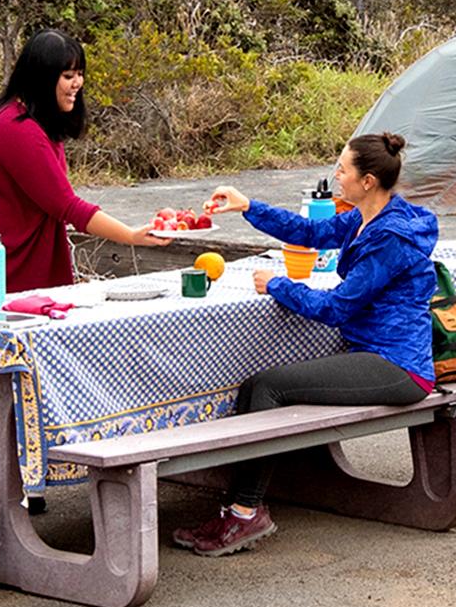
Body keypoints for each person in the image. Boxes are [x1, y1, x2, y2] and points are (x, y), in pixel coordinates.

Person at [170, 131, 438, 557]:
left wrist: (278, 285)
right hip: (375, 355)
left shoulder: (391, 237)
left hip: (398, 367)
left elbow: (337, 308)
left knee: (265, 388)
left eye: (342, 170)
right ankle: (243, 500)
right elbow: (309, 231)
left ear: (367, 181)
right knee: (261, 385)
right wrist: (248, 206)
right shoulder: (367, 217)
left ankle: (244, 513)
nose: (336, 176)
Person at [0, 28, 167, 294]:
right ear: (42, 79)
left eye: (80, 74)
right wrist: (131, 236)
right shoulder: (16, 128)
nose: (77, 83)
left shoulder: (38, 119)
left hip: (6, 255)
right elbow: (67, 206)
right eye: (68, 76)